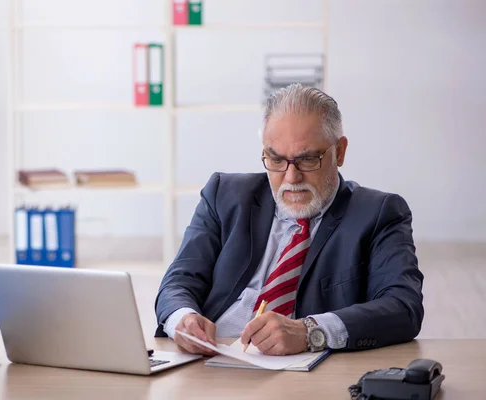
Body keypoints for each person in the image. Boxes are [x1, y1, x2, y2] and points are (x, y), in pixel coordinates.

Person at [154, 83, 424, 356]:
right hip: (208, 360)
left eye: (307, 160)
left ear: (339, 152)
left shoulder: (379, 213)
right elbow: (179, 281)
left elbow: (403, 306)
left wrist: (310, 332)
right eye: (276, 160)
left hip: (299, 374)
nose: (291, 178)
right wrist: (182, 319)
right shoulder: (224, 195)